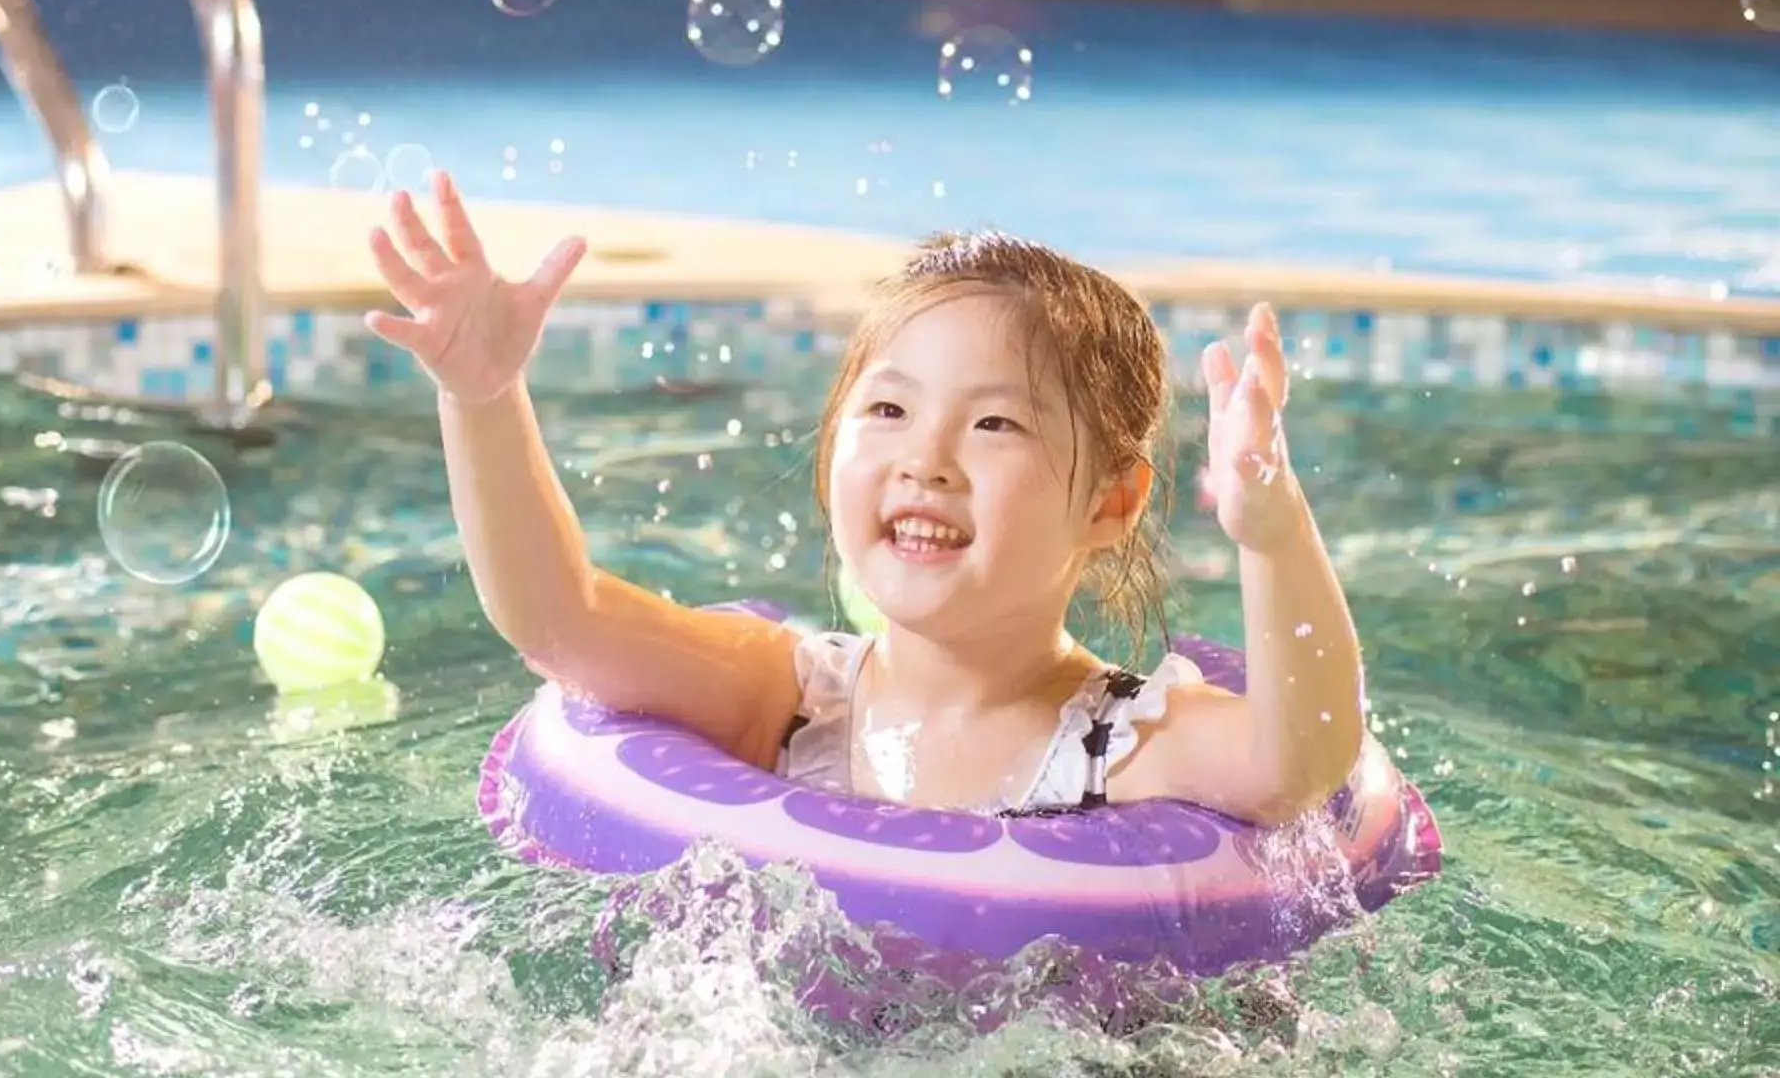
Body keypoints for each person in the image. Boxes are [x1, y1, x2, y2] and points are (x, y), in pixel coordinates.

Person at [368, 179, 1365, 824]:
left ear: (1110, 505)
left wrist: (1272, 534)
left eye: (993, 426)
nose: (924, 459)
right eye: (887, 407)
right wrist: (483, 395)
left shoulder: (1120, 746)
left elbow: (1293, 764)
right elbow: (558, 621)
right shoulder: (793, 699)